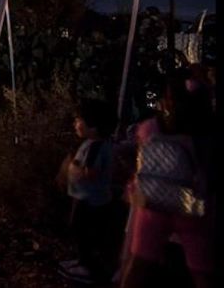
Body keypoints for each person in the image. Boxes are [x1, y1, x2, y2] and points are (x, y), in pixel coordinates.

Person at [121, 73, 215, 288]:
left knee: (140, 263)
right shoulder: (205, 134)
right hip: (192, 206)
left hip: (151, 202)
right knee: (202, 268)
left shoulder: (149, 128)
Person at [57, 100, 116, 284]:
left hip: (89, 200)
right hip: (89, 198)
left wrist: (71, 167)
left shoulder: (96, 146)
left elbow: (90, 173)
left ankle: (87, 267)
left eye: (78, 120)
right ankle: (83, 261)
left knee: (82, 230)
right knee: (82, 230)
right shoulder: (92, 144)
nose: (75, 123)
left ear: (93, 125)